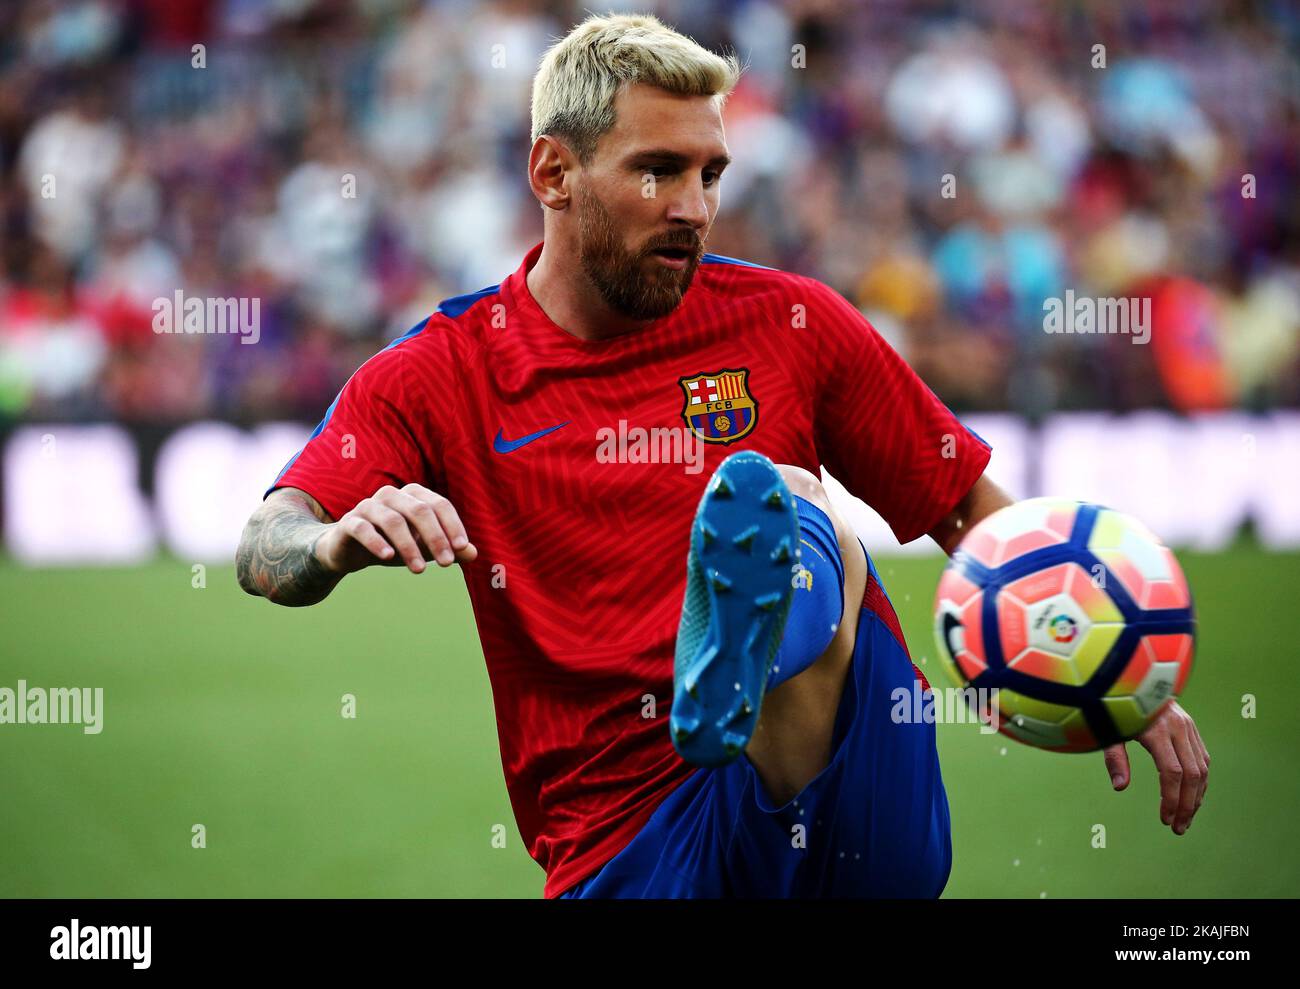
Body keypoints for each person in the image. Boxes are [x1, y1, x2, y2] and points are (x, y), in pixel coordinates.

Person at [236, 12, 1209, 898]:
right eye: (658, 169)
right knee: (787, 505)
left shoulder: (792, 321)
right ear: (551, 174)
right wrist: (331, 545)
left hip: (854, 781)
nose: (694, 208)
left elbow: (971, 512)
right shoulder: (439, 372)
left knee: (787, 501)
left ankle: (745, 666)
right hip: (624, 837)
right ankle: (742, 656)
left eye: (711, 173)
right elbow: (265, 549)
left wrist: (1107, 660)